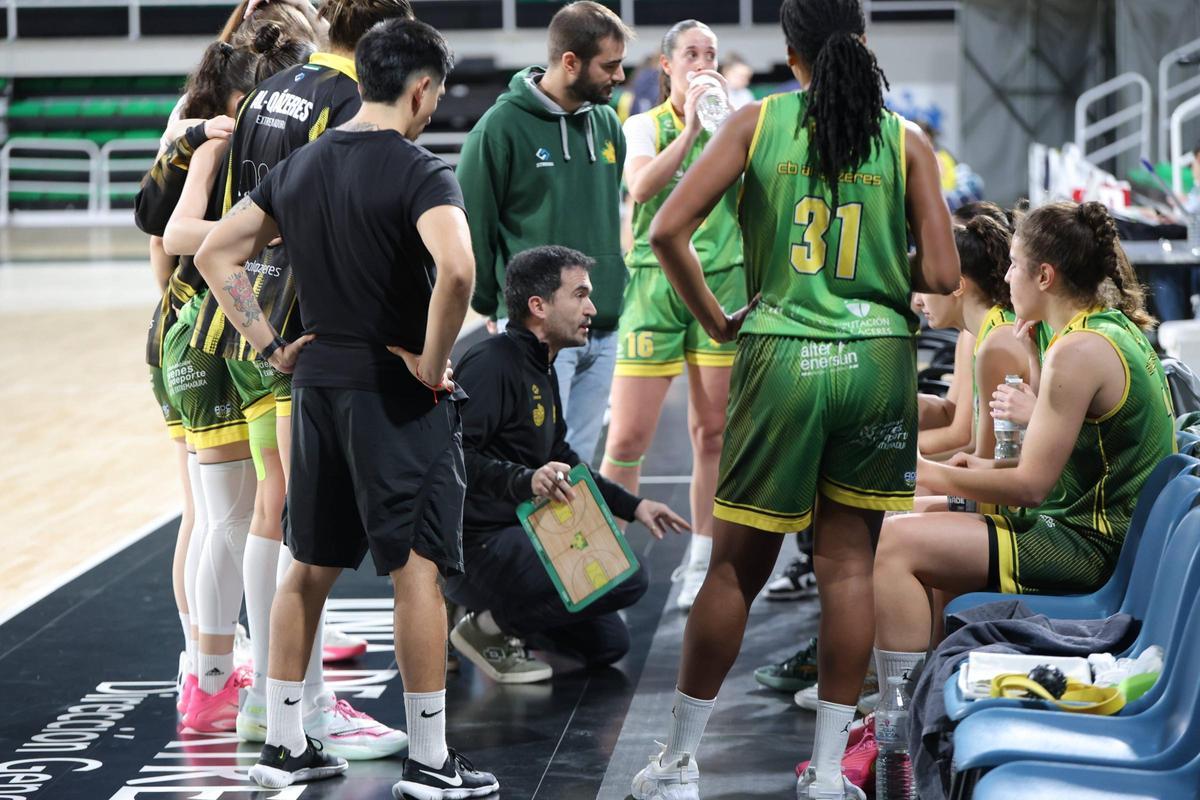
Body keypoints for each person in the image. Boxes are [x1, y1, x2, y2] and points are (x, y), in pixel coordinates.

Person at [627, 0, 960, 797]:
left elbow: (667, 227)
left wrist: (716, 317)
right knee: (850, 568)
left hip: (782, 354)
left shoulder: (754, 123)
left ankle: (676, 765)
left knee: (736, 572)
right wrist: (876, 274)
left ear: (789, 51)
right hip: (877, 361)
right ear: (864, 43)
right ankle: (825, 776)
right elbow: (946, 279)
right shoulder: (907, 140)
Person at [195, 18, 499, 797]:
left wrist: (267, 344)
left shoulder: (300, 168)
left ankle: (286, 744)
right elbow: (458, 272)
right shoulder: (422, 171)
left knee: (307, 567)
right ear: (422, 88)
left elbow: (213, 252)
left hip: (316, 385)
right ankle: (431, 761)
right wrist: (433, 366)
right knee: (417, 571)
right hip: (394, 394)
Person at [182, 0, 415, 757]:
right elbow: (339, 213)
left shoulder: (274, 87)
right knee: (293, 520)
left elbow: (229, 219)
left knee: (262, 511)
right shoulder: (349, 100)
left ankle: (256, 691)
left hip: (246, 320)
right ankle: (302, 700)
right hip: (299, 325)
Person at [876, 201, 1175, 685]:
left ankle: (898, 724)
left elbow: (1032, 485)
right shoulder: (1104, 328)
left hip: (1089, 545)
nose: (1006, 275)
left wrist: (929, 472)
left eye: (1015, 264)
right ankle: (920, 696)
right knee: (918, 522)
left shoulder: (1079, 352)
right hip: (1085, 526)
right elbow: (1040, 460)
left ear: (1045, 277)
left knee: (895, 542)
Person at [447, 245, 691, 683]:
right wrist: (525, 480)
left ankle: (502, 616)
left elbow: (563, 459)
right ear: (538, 306)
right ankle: (485, 628)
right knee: (627, 577)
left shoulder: (541, 364)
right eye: (579, 295)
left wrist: (632, 506)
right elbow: (453, 458)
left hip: (519, 533)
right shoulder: (491, 363)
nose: (591, 308)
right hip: (476, 544)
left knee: (608, 645)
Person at [600, 20, 742, 613]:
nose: (701, 62)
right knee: (628, 437)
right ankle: (605, 568)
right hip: (656, 288)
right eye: (691, 53)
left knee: (712, 434)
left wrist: (725, 127)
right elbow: (640, 186)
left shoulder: (740, 125)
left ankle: (701, 560)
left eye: (709, 53)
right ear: (666, 65)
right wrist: (688, 133)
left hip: (722, 282)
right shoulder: (644, 125)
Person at [457, 0, 633, 463]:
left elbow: (607, 215)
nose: (619, 77)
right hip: (539, 328)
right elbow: (473, 226)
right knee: (533, 466)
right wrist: (494, 303)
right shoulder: (499, 128)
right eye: (610, 66)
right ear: (570, 62)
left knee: (578, 468)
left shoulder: (609, 124)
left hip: (603, 320)